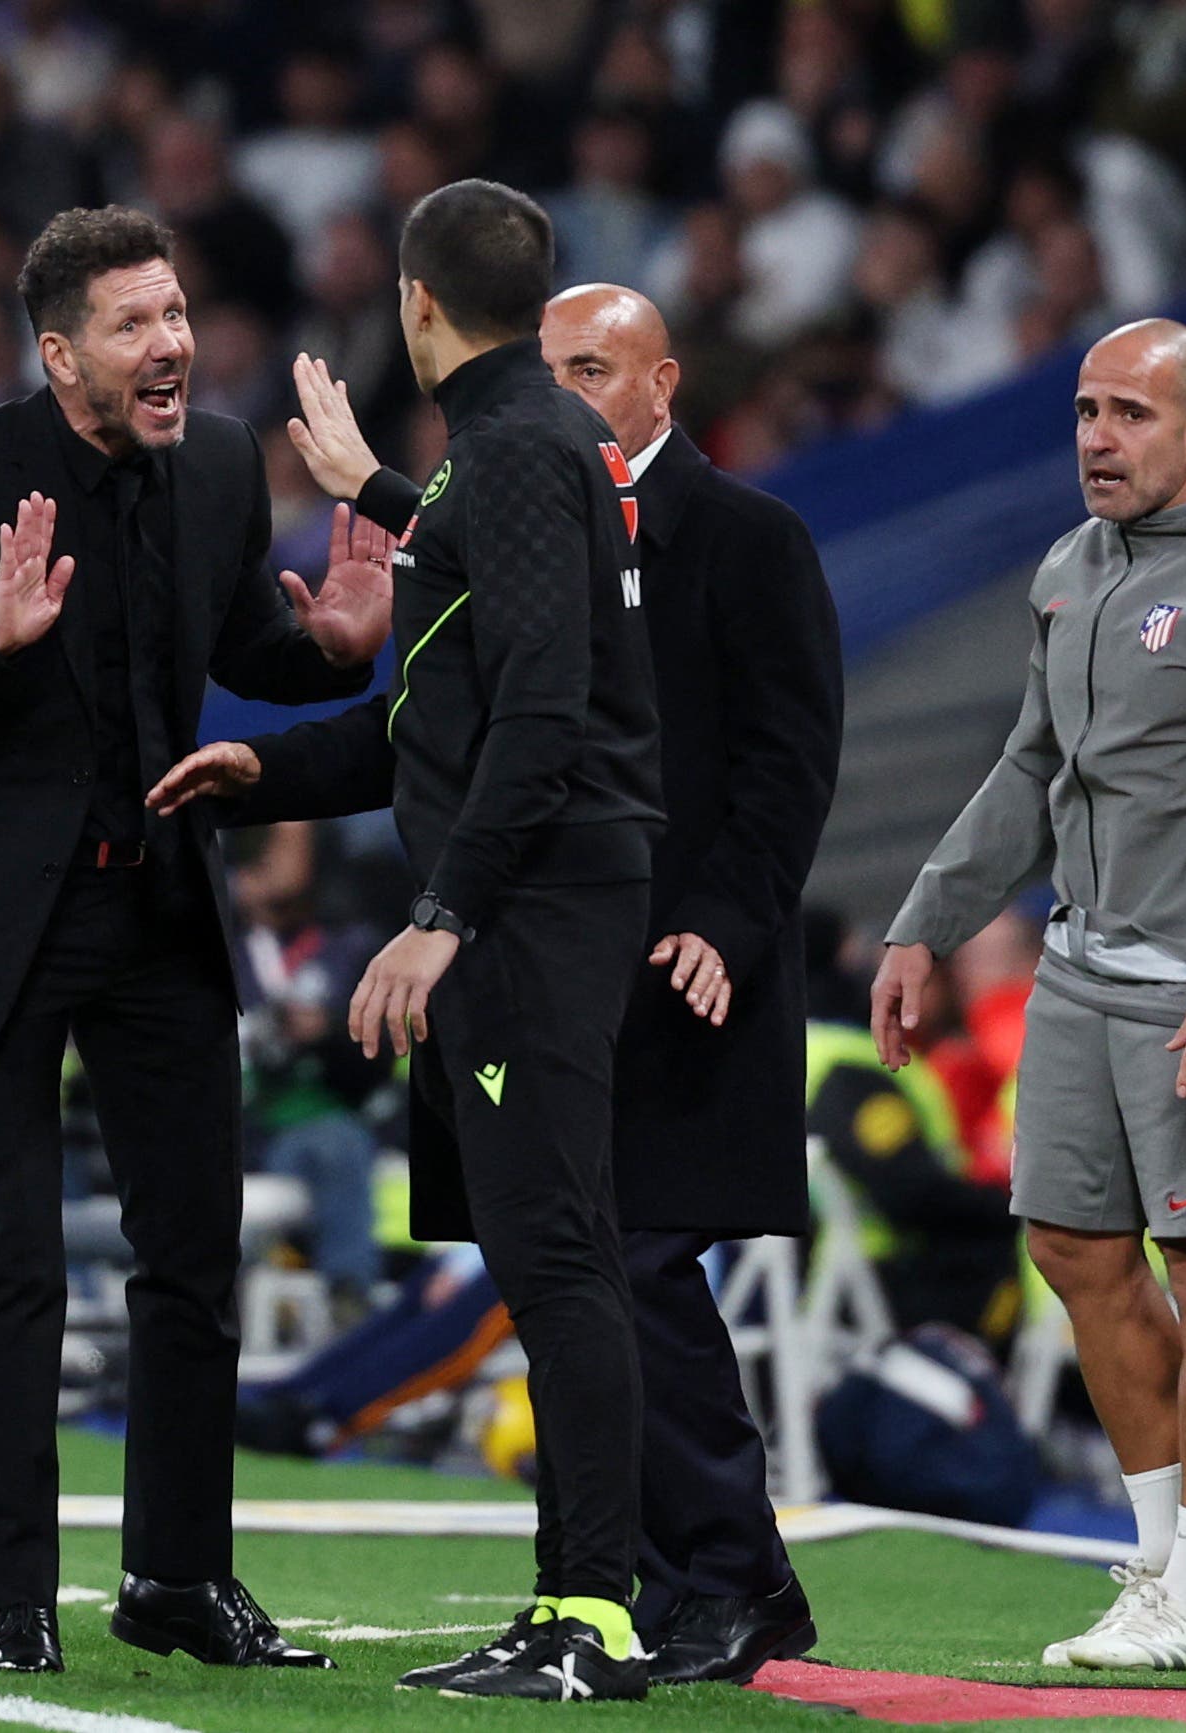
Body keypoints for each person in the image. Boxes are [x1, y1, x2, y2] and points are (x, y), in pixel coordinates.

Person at [0, 205, 388, 1678]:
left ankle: (179, 1579)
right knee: (9, 1262)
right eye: (137, 324)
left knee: (193, 1252)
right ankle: (19, 1598)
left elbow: (228, 648)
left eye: (179, 314)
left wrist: (326, 645)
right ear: (61, 352)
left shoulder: (214, 462)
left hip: (155, 905)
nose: (174, 345)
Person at [282, 280, 844, 1683]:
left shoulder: (742, 534)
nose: (560, 395)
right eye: (543, 370)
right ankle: (653, 1583)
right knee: (579, 1271)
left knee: (635, 1264)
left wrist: (725, 914)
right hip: (537, 954)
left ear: (663, 387)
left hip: (670, 964)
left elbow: (790, 755)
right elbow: (432, 725)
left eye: (591, 370)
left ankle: (728, 1576)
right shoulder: (505, 523)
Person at [152, 179, 661, 1703]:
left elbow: (542, 716)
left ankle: (592, 1616)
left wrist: (440, 917)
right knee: (543, 1246)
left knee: (558, 1253)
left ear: (415, 305)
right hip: (540, 891)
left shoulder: (511, 453)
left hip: (535, 906)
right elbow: (427, 725)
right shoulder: (507, 454)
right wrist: (265, 769)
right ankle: (569, 1600)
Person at [870, 319, 1186, 1672]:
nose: (1097, 436)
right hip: (1078, 976)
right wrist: (925, 923)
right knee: (1074, 1254)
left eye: (1131, 414)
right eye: (1086, 410)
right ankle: (1156, 1564)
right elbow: (1029, 768)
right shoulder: (1071, 568)